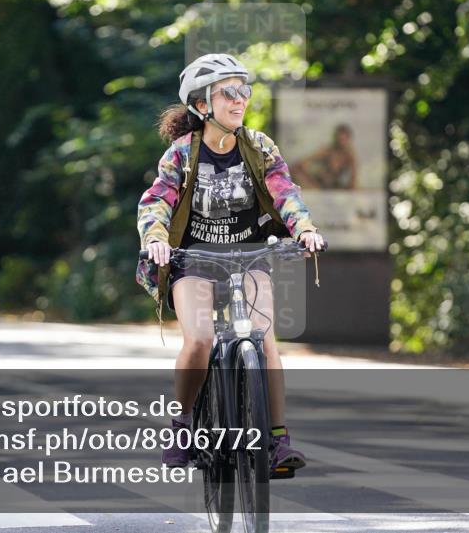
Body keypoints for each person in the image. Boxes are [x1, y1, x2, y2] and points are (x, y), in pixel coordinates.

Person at [135, 53, 326, 478]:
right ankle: (182, 427)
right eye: (230, 93)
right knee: (200, 339)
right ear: (203, 105)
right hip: (194, 260)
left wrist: (305, 229)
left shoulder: (258, 147)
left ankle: (277, 440)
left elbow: (285, 192)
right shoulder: (182, 154)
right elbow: (157, 203)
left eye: (245, 91)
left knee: (264, 337)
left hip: (250, 256)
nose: (241, 100)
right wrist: (156, 240)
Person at [291, 123, 358, 189]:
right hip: (319, 184)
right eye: (339, 140)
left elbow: (353, 178)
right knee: (296, 170)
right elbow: (305, 161)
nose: (341, 143)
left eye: (343, 140)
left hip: (335, 186)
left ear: (348, 140)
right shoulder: (328, 151)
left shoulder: (349, 155)